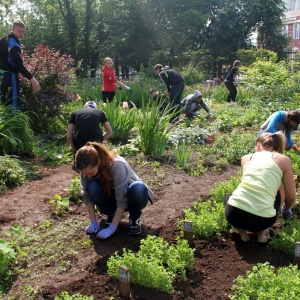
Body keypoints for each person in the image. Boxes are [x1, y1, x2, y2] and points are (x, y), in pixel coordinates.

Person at [225, 132, 296, 243]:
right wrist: (286, 209)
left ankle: (239, 229)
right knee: (279, 189)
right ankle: (263, 232)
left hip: (232, 213)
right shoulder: (284, 160)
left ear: (258, 145)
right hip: (261, 220)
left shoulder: (246, 158)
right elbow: (291, 196)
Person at [75, 142, 154, 238]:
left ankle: (134, 217)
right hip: (111, 197)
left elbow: (122, 198)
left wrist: (112, 228)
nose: (87, 176)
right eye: (85, 174)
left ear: (98, 162)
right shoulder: (85, 168)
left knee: (138, 187)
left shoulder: (117, 165)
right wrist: (93, 222)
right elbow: (87, 196)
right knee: (91, 187)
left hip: (130, 196)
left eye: (91, 173)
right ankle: (110, 214)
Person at [0, 20, 40, 108]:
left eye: (23, 32)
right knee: (13, 105)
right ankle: (13, 122)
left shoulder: (3, 39)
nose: (21, 34)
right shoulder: (13, 44)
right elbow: (19, 66)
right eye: (19, 31)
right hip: (10, 76)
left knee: (3, 103)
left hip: (2, 75)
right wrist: (33, 79)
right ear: (13, 29)